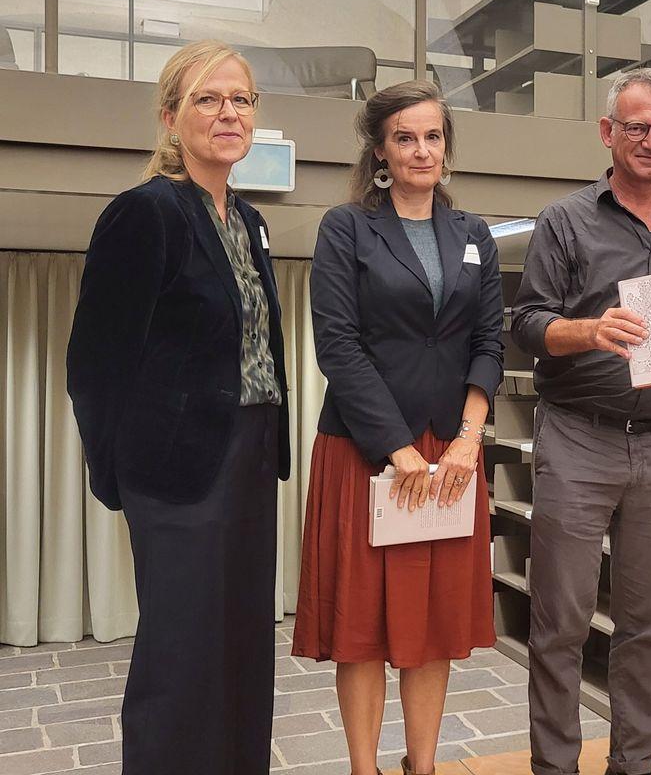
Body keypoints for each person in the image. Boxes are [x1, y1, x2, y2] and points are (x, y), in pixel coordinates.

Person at [66, 40, 290, 774]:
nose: (229, 113)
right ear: (170, 116)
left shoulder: (249, 219)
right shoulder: (145, 213)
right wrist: (121, 476)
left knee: (243, 644)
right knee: (181, 653)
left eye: (241, 100)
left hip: (252, 454)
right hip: (178, 471)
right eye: (208, 99)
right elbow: (95, 364)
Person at [291, 80, 503, 775]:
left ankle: (424, 765)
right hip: (365, 450)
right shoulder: (346, 227)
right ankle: (364, 768)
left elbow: (489, 342)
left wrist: (469, 438)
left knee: (433, 623)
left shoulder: (473, 234)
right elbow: (338, 346)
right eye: (405, 138)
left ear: (447, 147)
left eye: (433, 136)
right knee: (361, 627)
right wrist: (396, 447)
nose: (421, 150)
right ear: (380, 151)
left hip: (451, 453)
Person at [512, 67, 651, 775]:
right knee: (561, 623)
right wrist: (588, 331)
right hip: (578, 438)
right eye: (636, 127)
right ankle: (555, 767)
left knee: (646, 624)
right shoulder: (565, 219)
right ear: (608, 132)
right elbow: (527, 323)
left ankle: (635, 765)